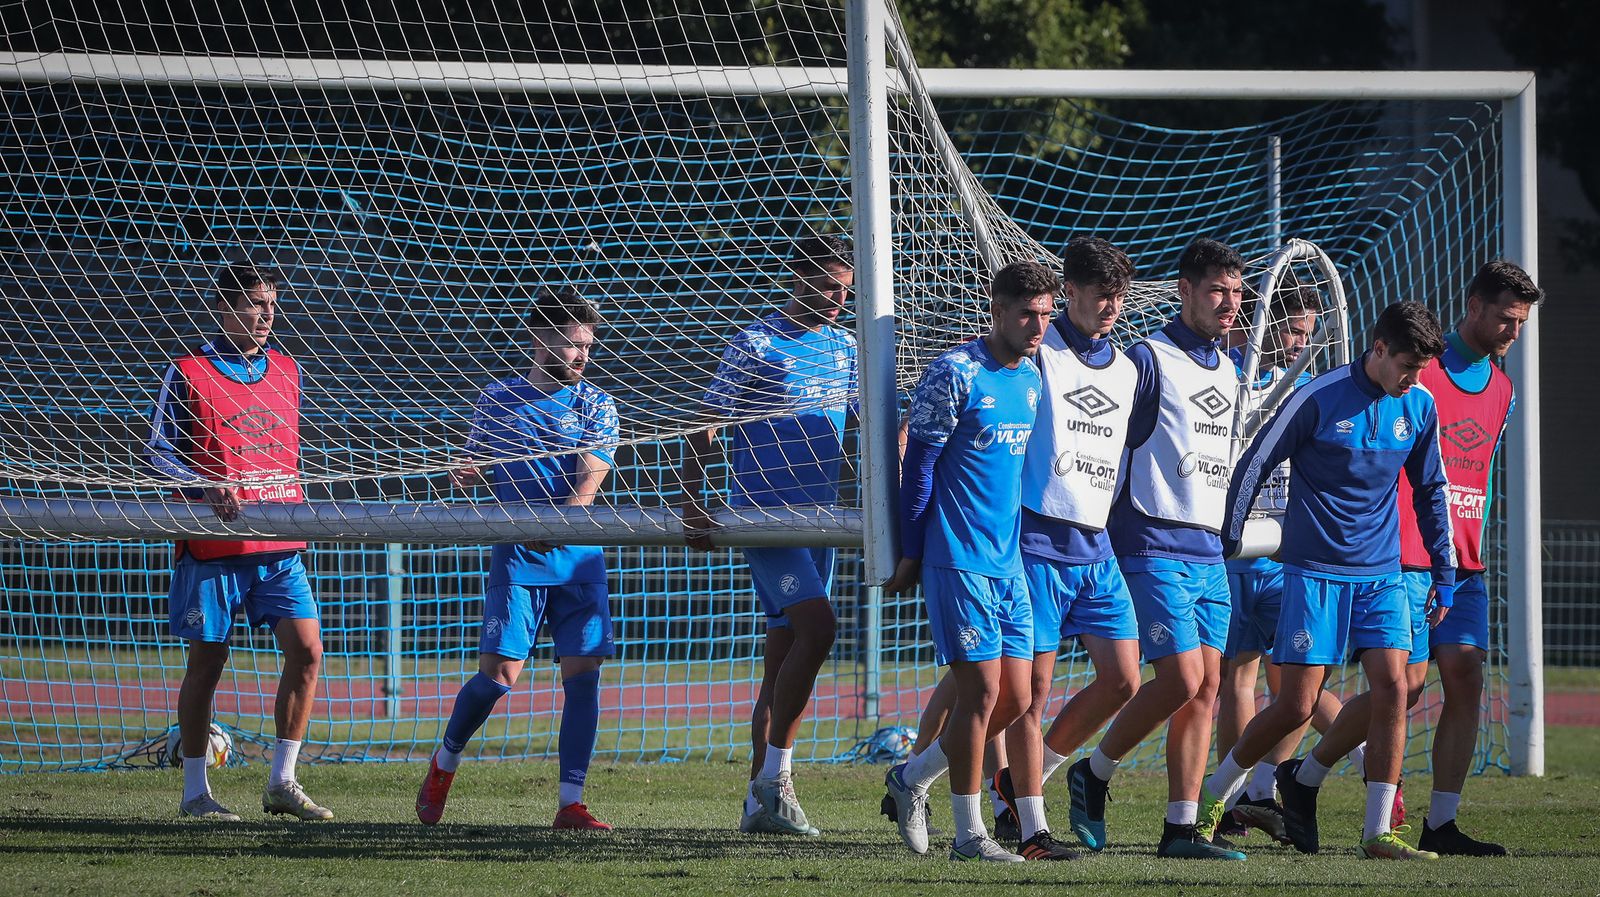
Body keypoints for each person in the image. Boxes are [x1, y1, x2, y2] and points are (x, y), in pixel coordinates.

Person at [1294, 261, 1541, 857]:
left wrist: (1459, 552)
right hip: (1405, 555)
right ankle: (1304, 778)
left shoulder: (1504, 388)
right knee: (1400, 684)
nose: (1512, 330)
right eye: (1506, 318)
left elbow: (1468, 476)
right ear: (1474, 304)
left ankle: (1442, 823)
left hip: (1465, 558)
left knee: (1466, 676)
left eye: (1522, 323)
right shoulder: (1419, 366)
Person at [1201, 300, 1456, 861]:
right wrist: (1230, 532)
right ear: (1380, 349)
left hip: (1382, 574)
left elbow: (1431, 490)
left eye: (1422, 370)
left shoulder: (1418, 405)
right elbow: (1256, 461)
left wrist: (1445, 566)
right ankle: (1213, 796)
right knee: (1295, 705)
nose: (1415, 378)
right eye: (1409, 365)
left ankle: (1377, 833)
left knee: (1395, 688)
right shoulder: (1319, 397)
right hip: (1314, 574)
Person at [1061, 238, 1247, 860]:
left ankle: (1181, 828)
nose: (1229, 303)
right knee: (1180, 677)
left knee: (1206, 689)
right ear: (1184, 291)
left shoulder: (1232, 370)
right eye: (1216, 290)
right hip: (1148, 540)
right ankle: (1094, 772)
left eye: (1236, 292)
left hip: (1208, 551)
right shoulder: (1148, 360)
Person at [415, 287, 620, 830]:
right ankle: (445, 762)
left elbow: (591, 475)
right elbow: (477, 461)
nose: (581, 355)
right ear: (539, 338)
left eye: (587, 345)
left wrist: (567, 518)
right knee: (500, 677)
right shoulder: (497, 399)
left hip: (576, 557)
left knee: (583, 676)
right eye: (572, 344)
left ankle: (570, 803)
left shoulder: (596, 402)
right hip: (519, 558)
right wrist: (467, 470)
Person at [679, 235, 857, 836]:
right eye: (826, 286)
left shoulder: (847, 347)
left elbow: (864, 424)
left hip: (823, 524)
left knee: (784, 662)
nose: (836, 299)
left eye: (844, 290)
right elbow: (705, 421)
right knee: (820, 628)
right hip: (765, 521)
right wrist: (693, 498)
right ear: (796, 281)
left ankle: (761, 803)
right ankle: (774, 781)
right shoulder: (756, 342)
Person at [879, 260, 1051, 862]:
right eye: (1027, 312)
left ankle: (909, 779)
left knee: (1020, 697)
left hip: (1009, 563)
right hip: (957, 558)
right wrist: (910, 551)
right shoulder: (954, 372)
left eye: (1045, 313)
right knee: (979, 694)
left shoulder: (1030, 379)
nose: (1037, 324)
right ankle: (970, 836)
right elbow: (919, 465)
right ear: (996, 309)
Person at [147, 261, 331, 822]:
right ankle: (196, 794)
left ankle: (282, 781)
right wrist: (206, 486)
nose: (267, 313)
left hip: (278, 543)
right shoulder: (188, 371)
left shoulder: (287, 368)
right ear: (226, 308)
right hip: (215, 546)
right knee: (208, 661)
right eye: (256, 303)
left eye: (272, 303)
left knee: (307, 652)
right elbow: (158, 453)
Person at [982, 236, 1141, 860]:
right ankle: (1031, 827)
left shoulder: (1128, 368)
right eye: (1100, 295)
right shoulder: (1037, 352)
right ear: (1068, 292)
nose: (1110, 307)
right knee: (1028, 690)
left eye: (1119, 297)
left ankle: (1022, 777)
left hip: (1096, 545)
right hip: (1036, 541)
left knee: (1124, 679)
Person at [1214, 283, 1348, 845]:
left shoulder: (1304, 393)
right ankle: (1239, 795)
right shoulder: (1233, 380)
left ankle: (1356, 762)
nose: (1300, 344)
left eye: (1308, 335)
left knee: (1300, 680)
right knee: (1237, 676)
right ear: (1268, 325)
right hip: (1233, 549)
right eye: (1293, 330)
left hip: (1281, 552)